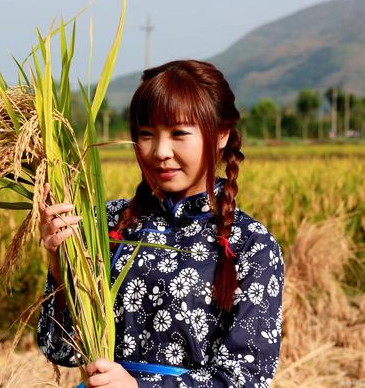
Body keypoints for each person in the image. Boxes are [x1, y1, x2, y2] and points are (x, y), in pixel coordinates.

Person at [36, 60, 284, 387]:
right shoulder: (106, 223)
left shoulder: (251, 245)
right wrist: (59, 262)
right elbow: (60, 349)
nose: (160, 152)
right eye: (147, 134)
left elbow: (245, 378)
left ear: (222, 134)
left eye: (179, 133)